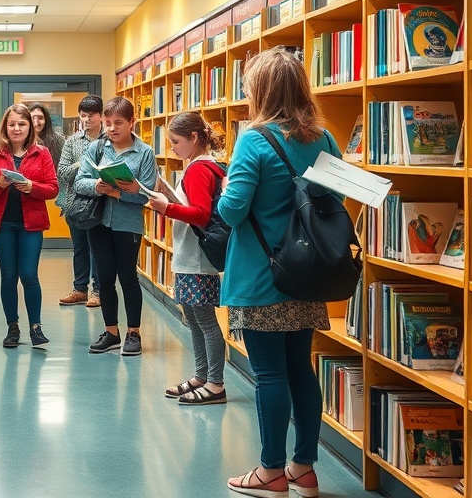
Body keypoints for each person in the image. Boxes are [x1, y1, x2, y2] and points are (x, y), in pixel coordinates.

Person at [218, 47, 341, 498]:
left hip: (261, 275)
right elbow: (335, 204)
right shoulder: (324, 139)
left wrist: (227, 187)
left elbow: (231, 212)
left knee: (269, 375)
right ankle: (303, 468)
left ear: (262, 91)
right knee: (301, 371)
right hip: (307, 275)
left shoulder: (254, 139)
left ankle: (270, 471)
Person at [146, 111, 228, 406]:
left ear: (194, 138)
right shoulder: (205, 167)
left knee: (204, 321)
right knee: (193, 320)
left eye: (176, 141)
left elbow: (200, 214)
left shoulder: (198, 169)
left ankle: (215, 383)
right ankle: (202, 376)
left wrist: (164, 207)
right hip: (191, 255)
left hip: (196, 259)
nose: (172, 149)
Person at [74, 96, 156, 356]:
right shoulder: (97, 149)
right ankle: (111, 332)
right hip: (98, 222)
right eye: (108, 123)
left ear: (132, 122)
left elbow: (146, 195)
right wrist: (98, 186)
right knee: (105, 278)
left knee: (128, 278)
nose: (112, 128)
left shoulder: (145, 153)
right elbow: (79, 182)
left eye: (118, 123)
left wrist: (121, 194)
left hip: (127, 225)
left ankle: (134, 333)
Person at [0, 104, 59, 348]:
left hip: (31, 224)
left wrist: (32, 187)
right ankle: (12, 328)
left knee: (29, 275)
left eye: (22, 124)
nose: (16, 128)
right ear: (5, 126)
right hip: (3, 224)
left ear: (30, 127)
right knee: (8, 276)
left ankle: (36, 327)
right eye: (12, 124)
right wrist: (2, 183)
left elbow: (52, 188)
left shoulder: (42, 153)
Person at [57, 95, 104, 308]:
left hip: (102, 203)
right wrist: (83, 163)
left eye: (91, 116)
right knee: (79, 248)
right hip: (75, 205)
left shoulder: (109, 140)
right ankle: (80, 289)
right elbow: (63, 172)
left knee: (98, 248)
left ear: (101, 116)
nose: (87, 120)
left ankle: (98, 291)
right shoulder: (72, 141)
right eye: (83, 115)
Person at [28, 101, 65, 168]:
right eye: (32, 118)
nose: (36, 123)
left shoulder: (57, 139)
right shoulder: (22, 140)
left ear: (46, 120)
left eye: (40, 118)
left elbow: (61, 167)